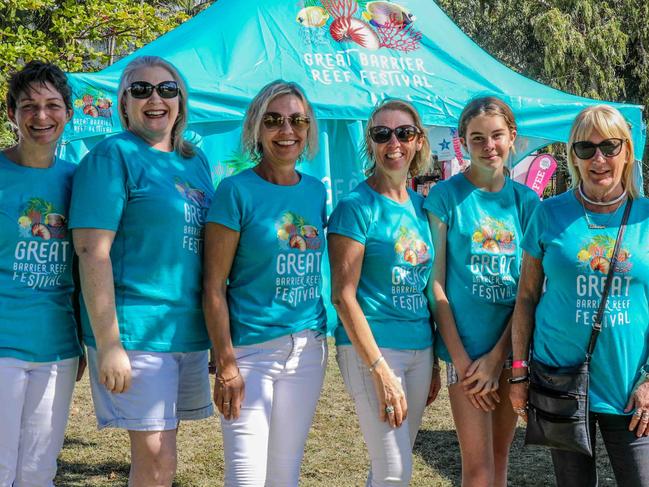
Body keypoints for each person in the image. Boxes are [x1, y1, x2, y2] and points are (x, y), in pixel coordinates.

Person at [69, 56, 214, 486]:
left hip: (184, 331)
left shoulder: (195, 161)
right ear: (124, 104)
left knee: (164, 457)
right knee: (155, 459)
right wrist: (110, 344)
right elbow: (91, 251)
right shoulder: (112, 155)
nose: (155, 98)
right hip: (136, 331)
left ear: (181, 102)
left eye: (167, 89)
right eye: (141, 89)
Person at [510, 105, 649, 486]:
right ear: (573, 156)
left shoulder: (646, 217)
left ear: (628, 152)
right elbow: (526, 297)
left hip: (631, 388)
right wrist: (519, 372)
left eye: (610, 146)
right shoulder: (547, 213)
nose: (599, 158)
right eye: (586, 149)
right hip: (561, 381)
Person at [203, 80, 327, 486]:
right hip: (249, 352)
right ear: (256, 128)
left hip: (307, 350)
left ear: (308, 129)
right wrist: (225, 364)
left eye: (297, 121)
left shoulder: (315, 192)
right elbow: (213, 287)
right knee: (245, 477)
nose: (286, 130)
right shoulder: (235, 191)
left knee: (285, 474)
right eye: (273, 120)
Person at [424, 97, 539, 487]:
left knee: (500, 457)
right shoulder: (445, 197)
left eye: (496, 135)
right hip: (465, 357)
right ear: (463, 143)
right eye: (478, 138)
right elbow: (435, 283)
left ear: (512, 138)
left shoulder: (527, 203)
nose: (489, 145)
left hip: (510, 350)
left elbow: (529, 291)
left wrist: (498, 358)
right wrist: (465, 361)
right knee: (477, 468)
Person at [328, 99, 441, 486]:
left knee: (391, 466)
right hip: (374, 349)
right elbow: (343, 296)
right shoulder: (354, 207)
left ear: (419, 141)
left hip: (420, 348)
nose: (394, 142)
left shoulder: (424, 208)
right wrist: (379, 370)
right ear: (371, 143)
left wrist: (436, 363)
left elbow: (428, 288)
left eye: (404, 133)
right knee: (394, 471)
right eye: (382, 134)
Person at [0, 60, 84, 487]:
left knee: (37, 472)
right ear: (11, 112)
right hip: (3, 343)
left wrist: (87, 340)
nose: (41, 116)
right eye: (28, 105)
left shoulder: (79, 181)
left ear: (68, 113)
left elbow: (88, 263)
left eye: (52, 105)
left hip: (57, 348)